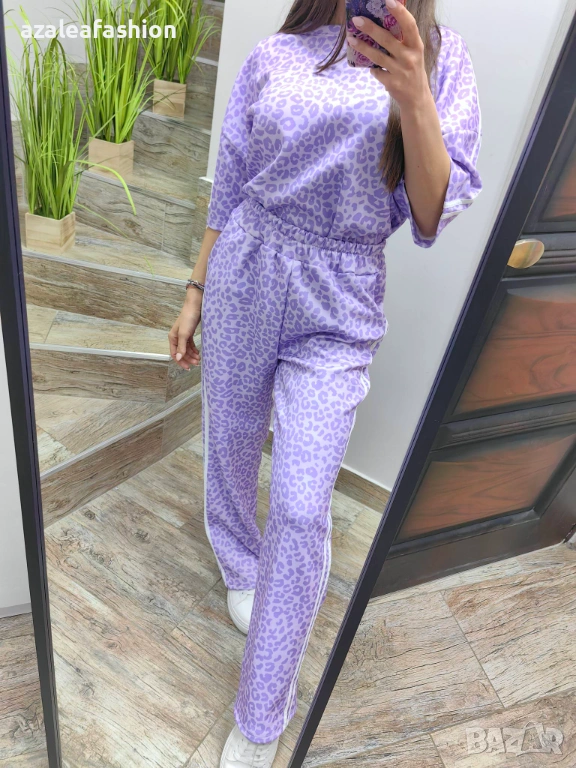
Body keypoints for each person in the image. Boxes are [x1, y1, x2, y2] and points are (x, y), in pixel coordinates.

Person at [168, 0, 481, 764]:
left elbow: (432, 215)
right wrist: (195, 290)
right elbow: (231, 179)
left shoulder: (439, 58)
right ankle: (241, 563)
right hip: (246, 265)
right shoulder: (279, 53)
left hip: (339, 296)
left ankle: (260, 716)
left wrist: (413, 94)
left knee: (303, 508)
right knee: (231, 442)